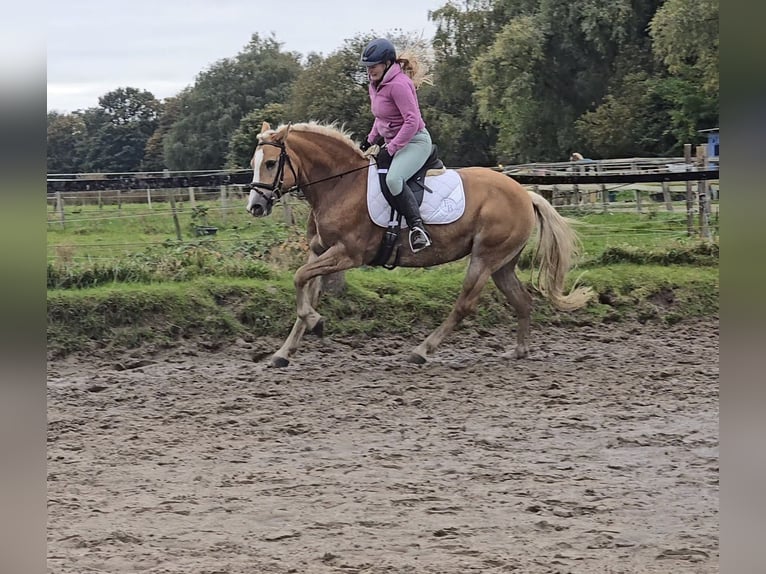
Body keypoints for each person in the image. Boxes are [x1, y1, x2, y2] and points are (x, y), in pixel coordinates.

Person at [359, 38, 433, 253]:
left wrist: (390, 149)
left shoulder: (399, 85)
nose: (370, 71)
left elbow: (411, 121)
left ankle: (417, 228)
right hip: (397, 142)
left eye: (373, 65)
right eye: (367, 67)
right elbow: (381, 118)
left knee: (393, 179)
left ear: (388, 63)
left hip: (415, 141)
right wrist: (370, 140)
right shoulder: (375, 85)